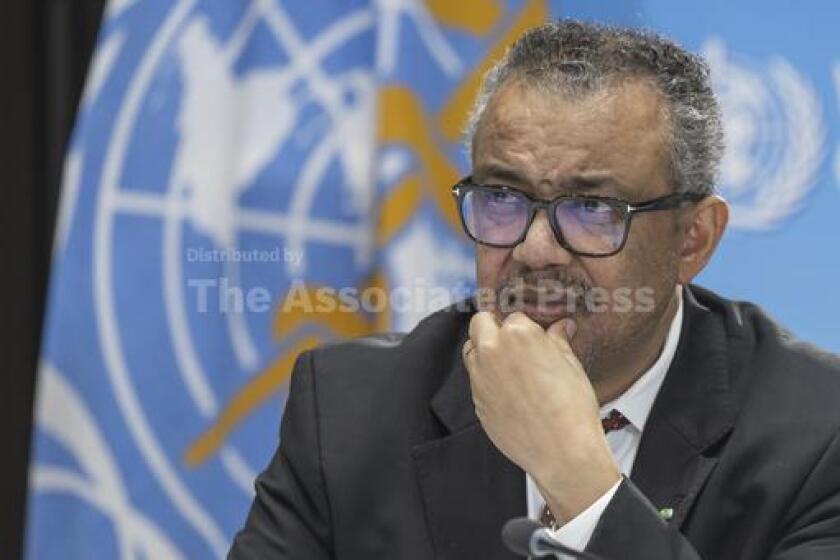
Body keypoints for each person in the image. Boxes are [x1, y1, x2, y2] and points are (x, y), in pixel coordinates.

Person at [228, 19, 840, 559]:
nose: (534, 249)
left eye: (593, 208)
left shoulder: (818, 436)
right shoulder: (349, 409)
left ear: (693, 240)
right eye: (501, 198)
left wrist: (579, 479)